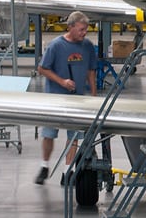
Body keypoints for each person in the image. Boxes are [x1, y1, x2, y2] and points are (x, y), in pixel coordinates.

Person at [34, 11, 98, 185]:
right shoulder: (55, 46)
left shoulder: (88, 47)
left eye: (86, 29)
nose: (84, 33)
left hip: (77, 100)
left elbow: (91, 71)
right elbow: (42, 69)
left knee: (74, 136)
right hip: (55, 99)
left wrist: (93, 96)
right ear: (70, 27)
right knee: (49, 134)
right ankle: (44, 165)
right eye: (81, 29)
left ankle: (67, 171)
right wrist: (62, 81)